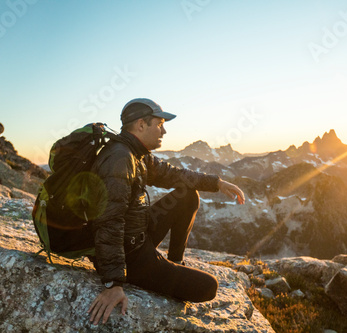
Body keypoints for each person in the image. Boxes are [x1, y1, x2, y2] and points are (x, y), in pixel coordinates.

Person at [87, 98, 245, 325]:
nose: (164, 130)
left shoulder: (135, 153)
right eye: (159, 124)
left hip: (138, 231)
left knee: (188, 194)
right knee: (208, 287)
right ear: (141, 125)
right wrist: (113, 283)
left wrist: (217, 183)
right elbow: (108, 221)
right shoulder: (120, 159)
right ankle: (159, 270)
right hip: (131, 255)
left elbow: (174, 174)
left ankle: (174, 263)